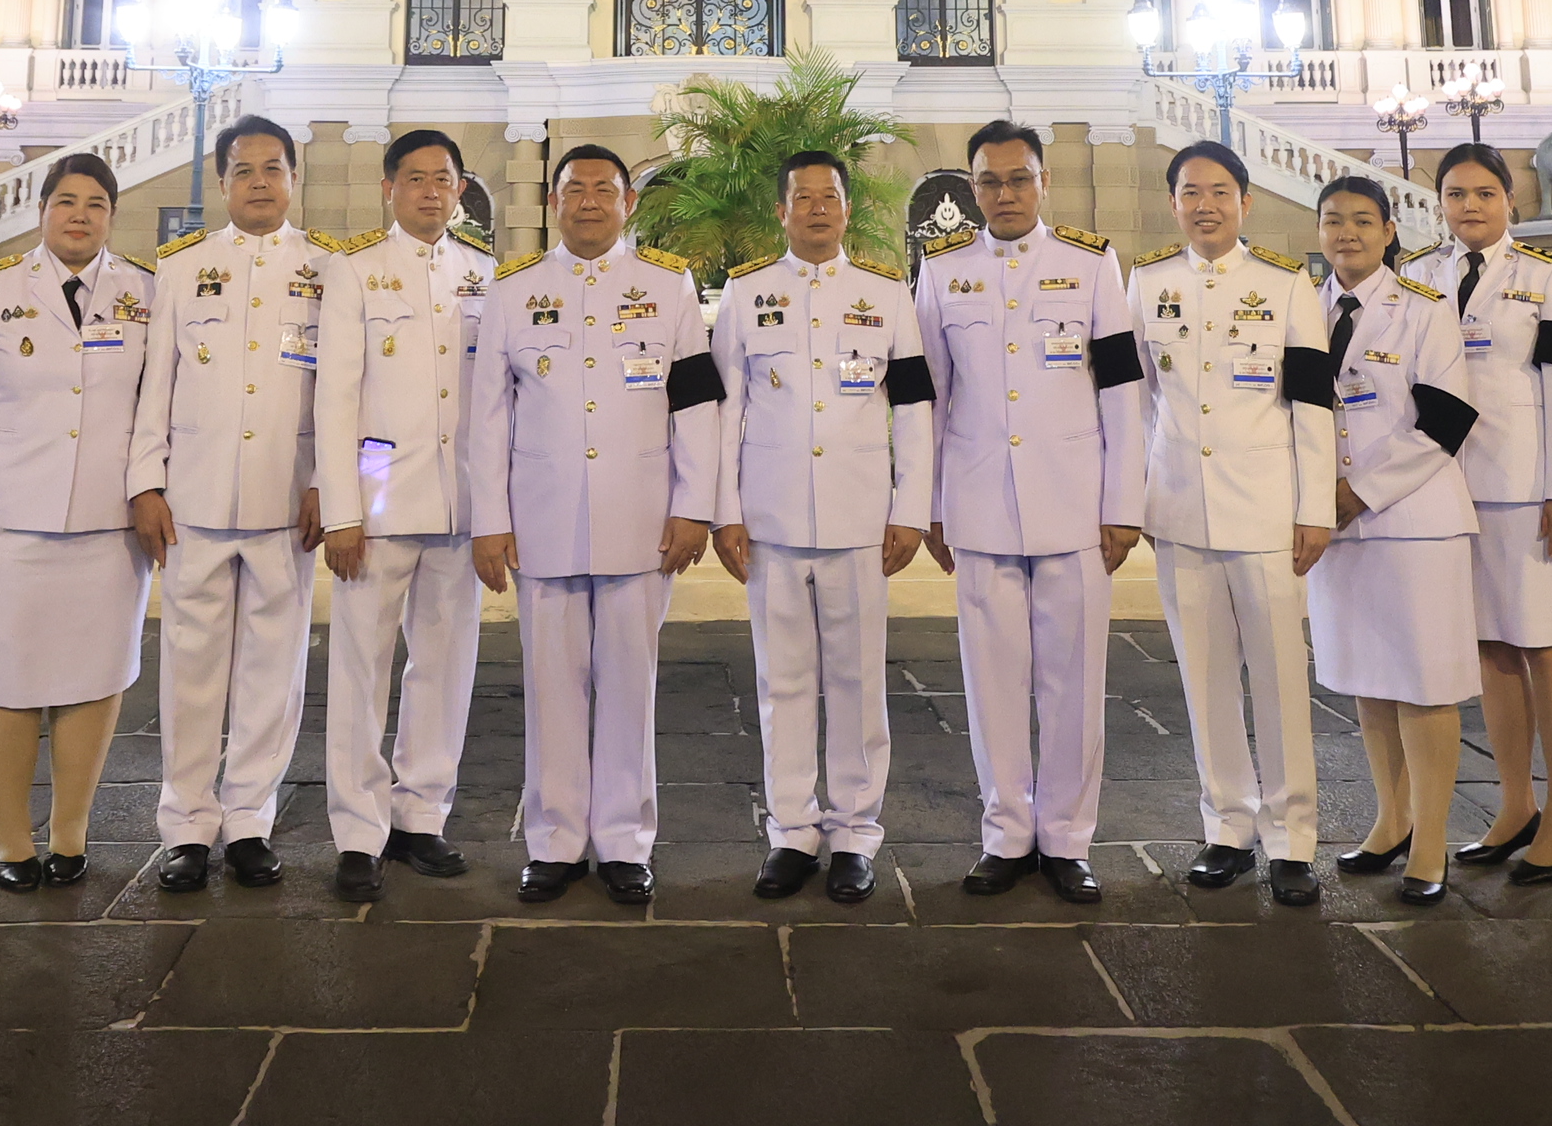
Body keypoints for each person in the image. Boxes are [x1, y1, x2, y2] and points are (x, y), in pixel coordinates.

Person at [466, 144, 719, 904]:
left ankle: (624, 840)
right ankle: (554, 840)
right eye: (574, 190)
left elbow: (698, 404)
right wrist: (489, 519)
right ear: (553, 202)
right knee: (551, 684)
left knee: (629, 683)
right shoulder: (513, 290)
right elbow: (487, 416)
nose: (588, 203)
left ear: (628, 203)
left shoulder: (668, 287)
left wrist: (694, 503)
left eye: (604, 190)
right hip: (543, 518)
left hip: (641, 517)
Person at [917, 121, 1144, 906]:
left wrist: (1124, 502)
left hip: (1073, 503)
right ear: (971, 189)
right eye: (989, 182)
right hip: (978, 503)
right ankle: (1006, 833)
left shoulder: (1088, 264)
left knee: (1075, 679)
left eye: (1018, 179)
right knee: (992, 679)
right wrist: (930, 508)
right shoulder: (944, 271)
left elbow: (1122, 389)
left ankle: (1068, 838)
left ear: (1043, 183)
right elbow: (931, 400)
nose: (1004, 194)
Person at [708, 150, 933, 905]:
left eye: (828, 197)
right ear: (782, 210)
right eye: (801, 197)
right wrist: (725, 511)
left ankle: (855, 834)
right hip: (770, 516)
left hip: (860, 517)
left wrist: (910, 508)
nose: (816, 208)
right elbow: (727, 410)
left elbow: (915, 409)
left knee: (859, 679)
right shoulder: (745, 296)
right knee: (782, 681)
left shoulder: (885, 295)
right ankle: (792, 832)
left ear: (845, 207)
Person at [0, 151, 158, 891]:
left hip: (104, 525)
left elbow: (156, 408)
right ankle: (10, 837)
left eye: (95, 203)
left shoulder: (144, 295)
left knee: (93, 680)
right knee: (4, 683)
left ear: (112, 217)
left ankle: (70, 831)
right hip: (6, 523)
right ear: (42, 210)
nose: (79, 215)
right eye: (66, 201)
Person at [1126, 139, 1336, 907]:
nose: (1204, 205)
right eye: (1189, 192)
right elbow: (1138, 401)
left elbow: (1313, 405)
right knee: (1205, 679)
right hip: (1180, 510)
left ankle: (1292, 839)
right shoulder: (1148, 282)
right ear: (1174, 203)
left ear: (1244, 201)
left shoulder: (1284, 285)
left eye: (1218, 192)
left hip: (1266, 514)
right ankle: (1228, 828)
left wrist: (1315, 507)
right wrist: (1141, 496)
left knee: (1281, 681)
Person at [126, 117, 328, 893]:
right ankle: (186, 824)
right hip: (196, 500)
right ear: (221, 183)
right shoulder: (182, 269)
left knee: (273, 672)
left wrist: (334, 487)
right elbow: (156, 389)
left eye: (273, 169)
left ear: (293, 179)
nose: (258, 182)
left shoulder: (325, 270)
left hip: (287, 499)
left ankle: (249, 820)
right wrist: (145, 483)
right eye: (243, 170)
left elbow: (345, 394)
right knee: (191, 670)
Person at [1403, 141, 1552, 887]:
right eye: (1456, 195)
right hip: (1444, 490)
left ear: (1510, 201)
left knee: (1548, 648)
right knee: (1488, 652)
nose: (1470, 207)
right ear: (1440, 204)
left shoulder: (1548, 279)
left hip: (1525, 486)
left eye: (1485, 193)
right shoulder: (1418, 276)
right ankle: (1514, 805)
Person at [314, 129, 499, 900]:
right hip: (380, 496)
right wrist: (342, 511)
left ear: (460, 190)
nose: (431, 191)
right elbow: (336, 397)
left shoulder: (485, 275)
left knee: (445, 664)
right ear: (390, 188)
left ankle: (422, 814)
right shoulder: (355, 269)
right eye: (416, 179)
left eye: (445, 180)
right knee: (362, 667)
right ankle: (359, 830)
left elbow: (493, 402)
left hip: (458, 499)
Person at [1303, 173, 1481, 906]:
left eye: (1362, 221)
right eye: (1333, 220)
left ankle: (1432, 839)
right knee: (1368, 681)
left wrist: (1359, 492)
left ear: (1388, 233)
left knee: (1424, 683)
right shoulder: (1300, 310)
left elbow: (1445, 419)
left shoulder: (1423, 310)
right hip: (1338, 528)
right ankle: (1391, 818)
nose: (1347, 233)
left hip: (1413, 521)